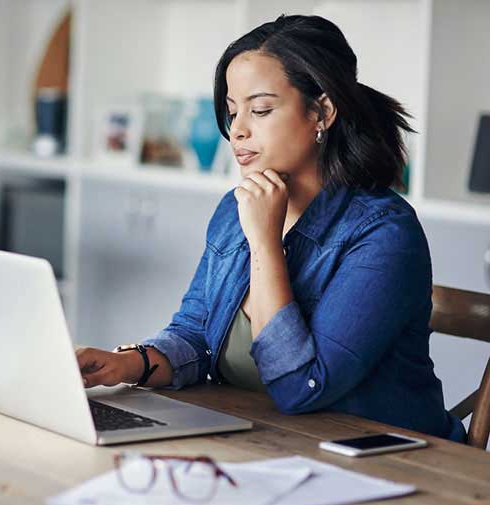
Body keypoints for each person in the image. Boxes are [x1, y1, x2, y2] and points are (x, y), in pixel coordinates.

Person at [75, 14, 466, 442]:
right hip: (271, 442)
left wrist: (265, 243)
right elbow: (195, 334)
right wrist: (128, 363)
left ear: (322, 111)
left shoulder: (383, 233)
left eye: (260, 109)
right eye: (231, 111)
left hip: (393, 465)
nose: (237, 130)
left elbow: (303, 385)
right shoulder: (237, 208)